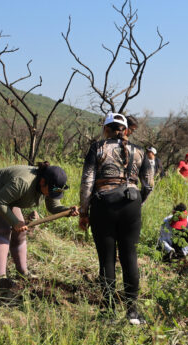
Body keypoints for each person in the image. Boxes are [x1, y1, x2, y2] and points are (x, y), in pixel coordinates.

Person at [79, 112, 150, 325]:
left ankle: (109, 312)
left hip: (105, 205)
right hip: (132, 203)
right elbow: (149, 184)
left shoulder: (98, 148)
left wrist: (84, 212)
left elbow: (87, 182)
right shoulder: (139, 151)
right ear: (125, 129)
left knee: (107, 259)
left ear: (106, 129)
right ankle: (132, 312)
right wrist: (137, 202)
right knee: (130, 256)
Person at [0, 162, 78, 288]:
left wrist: (67, 211)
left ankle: (23, 273)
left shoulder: (51, 185)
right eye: (52, 191)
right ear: (42, 182)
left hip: (5, 197)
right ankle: (1, 280)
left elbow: (53, 206)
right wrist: (14, 222)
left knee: (20, 232)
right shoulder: (23, 182)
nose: (52, 195)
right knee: (3, 231)